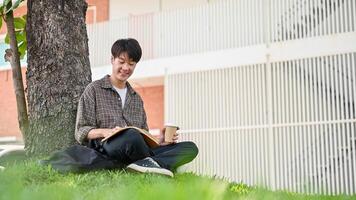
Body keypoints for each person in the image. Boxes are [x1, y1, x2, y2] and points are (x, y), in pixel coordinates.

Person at [75, 38, 198, 177]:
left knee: (190, 148)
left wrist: (160, 141)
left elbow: (144, 137)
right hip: (107, 148)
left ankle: (143, 164)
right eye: (121, 62)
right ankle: (154, 165)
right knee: (131, 135)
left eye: (131, 64)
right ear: (112, 60)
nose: (126, 68)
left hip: (136, 148)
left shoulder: (136, 99)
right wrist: (105, 132)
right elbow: (81, 131)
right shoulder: (94, 90)